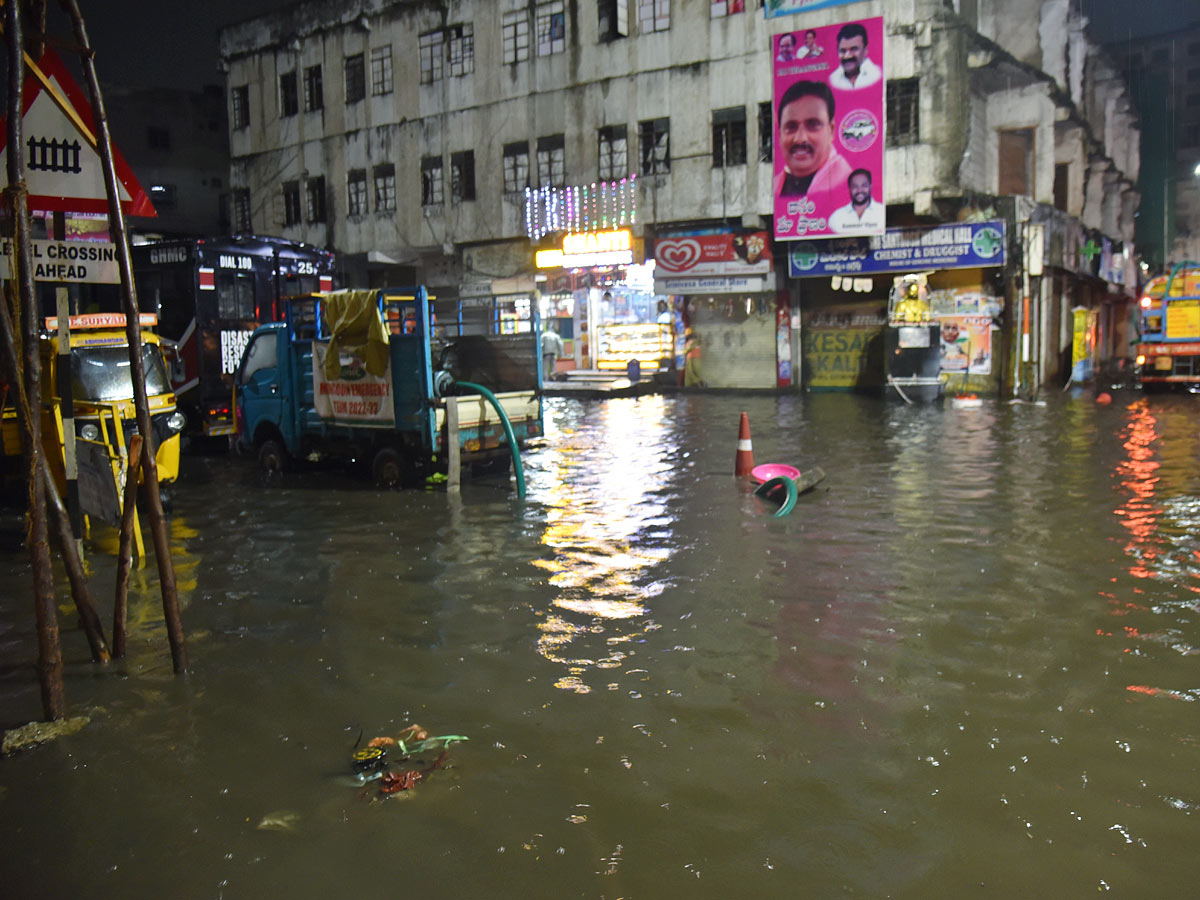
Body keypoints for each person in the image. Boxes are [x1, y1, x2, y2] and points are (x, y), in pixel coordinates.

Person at [773, 80, 852, 210]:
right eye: (791, 127)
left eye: (813, 125)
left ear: (831, 130)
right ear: (779, 133)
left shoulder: (846, 183)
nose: (800, 138)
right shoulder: (777, 186)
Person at [828, 168, 885, 233]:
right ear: (849, 189)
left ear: (870, 187)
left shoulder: (882, 212)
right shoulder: (836, 217)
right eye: (855, 186)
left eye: (864, 186)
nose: (859, 190)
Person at [830, 23, 881, 90]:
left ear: (865, 50)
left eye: (853, 49)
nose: (847, 56)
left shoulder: (876, 75)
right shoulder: (833, 79)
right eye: (843, 50)